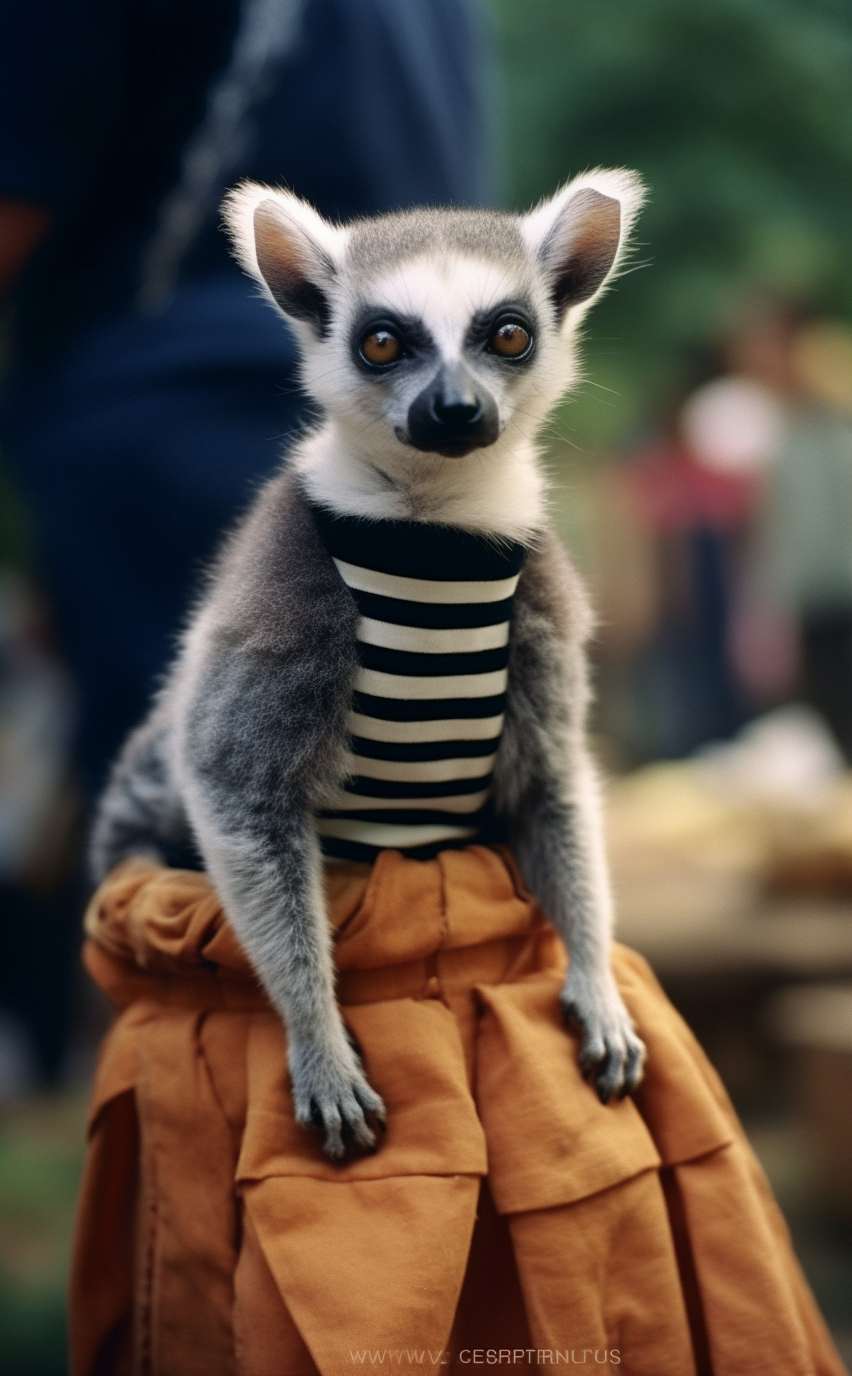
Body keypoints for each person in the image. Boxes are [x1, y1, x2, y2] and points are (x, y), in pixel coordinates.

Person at [0, 0, 496, 1079]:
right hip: (414, 425)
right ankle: (419, 1201)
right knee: (410, 875)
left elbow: (19, 176)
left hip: (180, 411)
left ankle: (263, 1221)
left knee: (224, 897)